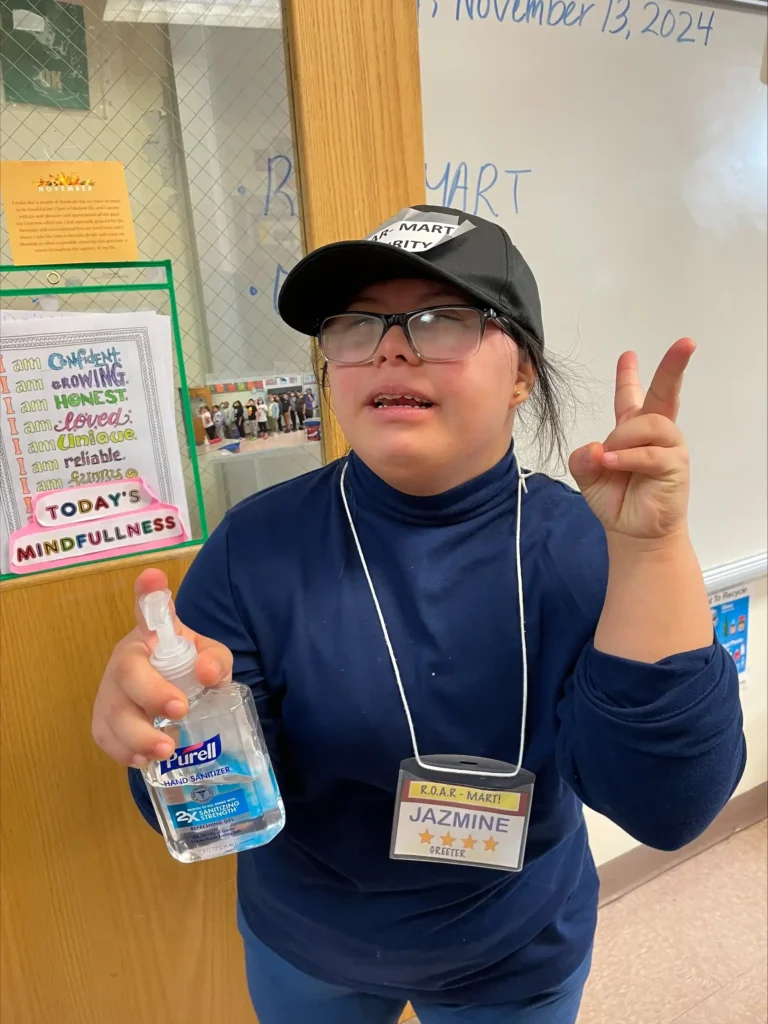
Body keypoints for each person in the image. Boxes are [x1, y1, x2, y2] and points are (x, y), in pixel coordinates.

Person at [93, 205, 745, 1024]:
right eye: (357, 325)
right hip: (309, 944)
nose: (390, 346)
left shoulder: (585, 545)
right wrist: (164, 731)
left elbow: (668, 809)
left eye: (441, 319)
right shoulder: (256, 543)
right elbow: (196, 806)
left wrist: (652, 554)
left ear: (521, 374)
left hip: (516, 952)